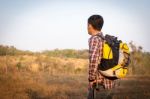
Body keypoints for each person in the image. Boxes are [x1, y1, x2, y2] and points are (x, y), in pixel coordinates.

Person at [87, 15, 115, 99]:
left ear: (90, 25)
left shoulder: (95, 39)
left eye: (87, 25)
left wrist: (91, 79)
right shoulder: (105, 39)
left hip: (99, 84)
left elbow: (94, 60)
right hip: (109, 81)